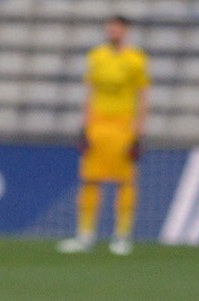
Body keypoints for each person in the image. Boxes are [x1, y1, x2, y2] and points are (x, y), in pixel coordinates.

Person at [57, 15, 148, 256]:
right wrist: (84, 126)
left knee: (125, 182)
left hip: (123, 126)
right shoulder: (96, 56)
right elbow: (89, 92)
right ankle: (85, 235)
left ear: (126, 31)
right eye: (110, 27)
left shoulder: (136, 59)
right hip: (97, 125)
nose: (113, 31)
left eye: (117, 28)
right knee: (89, 179)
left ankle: (122, 236)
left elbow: (143, 95)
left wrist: (139, 130)